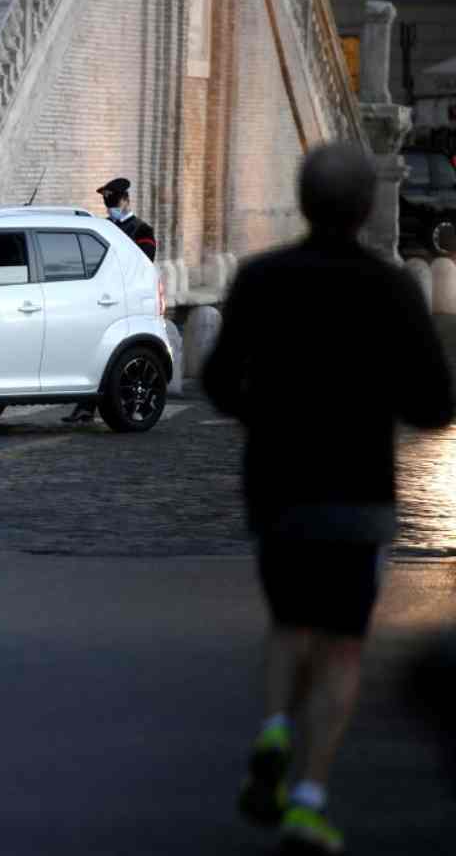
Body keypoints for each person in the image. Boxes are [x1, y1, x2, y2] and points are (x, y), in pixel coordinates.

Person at [203, 142, 454, 855]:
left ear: (303, 201)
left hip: (280, 484)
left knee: (289, 622)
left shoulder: (261, 279)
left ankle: (276, 725)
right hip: (359, 487)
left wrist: (266, 413)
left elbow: (220, 381)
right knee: (342, 645)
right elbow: (435, 404)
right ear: (368, 207)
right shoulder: (393, 288)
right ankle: (309, 797)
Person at [62, 177, 158, 423]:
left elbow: (142, 265)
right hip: (100, 299)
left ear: (126, 200)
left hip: (127, 300)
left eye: (114, 202)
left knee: (124, 357)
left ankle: (132, 407)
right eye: (108, 204)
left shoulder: (142, 230)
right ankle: (85, 406)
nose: (111, 208)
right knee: (95, 350)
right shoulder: (101, 228)